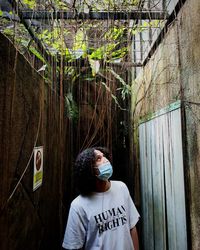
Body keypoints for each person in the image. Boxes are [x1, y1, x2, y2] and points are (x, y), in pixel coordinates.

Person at [62, 147, 140, 250]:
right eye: (99, 158)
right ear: (89, 169)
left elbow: (132, 227)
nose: (105, 160)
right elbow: (73, 246)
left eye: (104, 156)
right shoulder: (78, 206)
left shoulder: (121, 188)